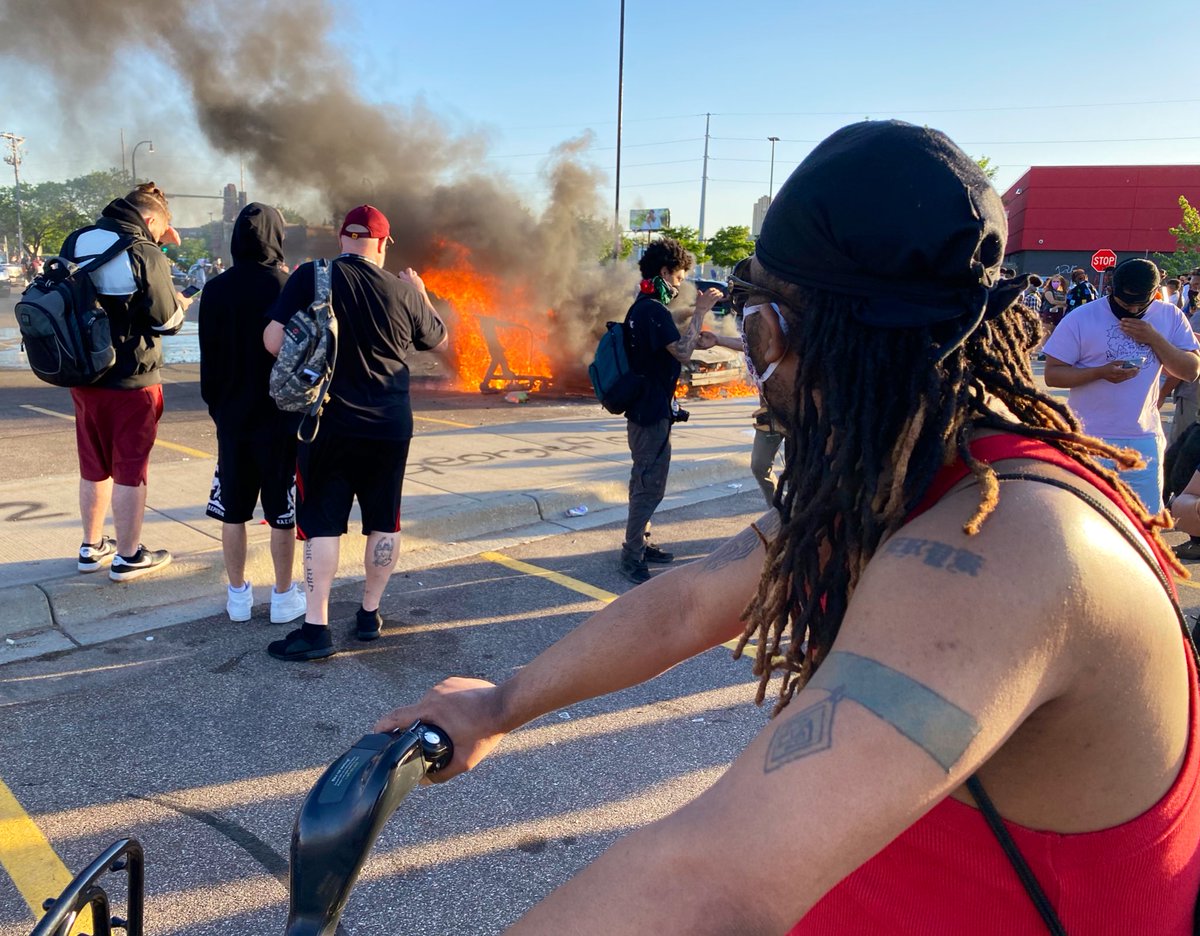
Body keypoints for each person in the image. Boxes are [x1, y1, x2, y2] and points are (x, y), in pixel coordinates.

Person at [376, 120, 1200, 934]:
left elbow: (705, 884)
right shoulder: (905, 469)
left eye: (760, 318)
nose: (750, 353)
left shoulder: (1008, 546)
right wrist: (499, 702)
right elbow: (693, 599)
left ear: (829, 335)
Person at [262, 205, 447, 661]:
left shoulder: (311, 275)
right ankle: (369, 615)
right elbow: (439, 342)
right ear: (384, 244)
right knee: (384, 519)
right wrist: (420, 294)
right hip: (390, 426)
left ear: (343, 238)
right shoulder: (404, 293)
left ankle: (316, 628)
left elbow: (271, 340)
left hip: (327, 423)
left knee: (322, 524)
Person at [60, 182, 189, 580]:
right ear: (150, 220)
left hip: (83, 375)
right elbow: (167, 321)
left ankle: (91, 546)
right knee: (131, 468)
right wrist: (181, 302)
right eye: (160, 229)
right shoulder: (143, 251)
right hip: (133, 380)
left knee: (93, 465)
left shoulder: (76, 240)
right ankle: (129, 556)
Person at [199, 202, 307, 625]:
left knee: (233, 510)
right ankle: (282, 596)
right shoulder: (287, 285)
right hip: (280, 418)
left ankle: (238, 596)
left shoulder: (216, 289)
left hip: (232, 417)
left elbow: (209, 360)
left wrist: (219, 409)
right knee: (282, 511)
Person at [1044, 257, 1200, 512]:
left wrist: (1153, 338)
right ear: (1111, 290)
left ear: (1155, 293)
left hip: (1143, 440)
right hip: (1088, 438)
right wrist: (1099, 373)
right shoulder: (1082, 317)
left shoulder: (1170, 316)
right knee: (1084, 519)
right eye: (1123, 302)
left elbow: (1191, 371)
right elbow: (1053, 374)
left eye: (1140, 304)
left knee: (1146, 525)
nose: (1131, 309)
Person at [618, 238, 721, 584]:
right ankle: (631, 556)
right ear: (664, 272)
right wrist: (702, 312)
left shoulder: (640, 307)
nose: (680, 285)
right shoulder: (652, 310)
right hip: (650, 413)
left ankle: (640, 543)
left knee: (643, 478)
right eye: (678, 278)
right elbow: (681, 352)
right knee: (651, 485)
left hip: (645, 408)